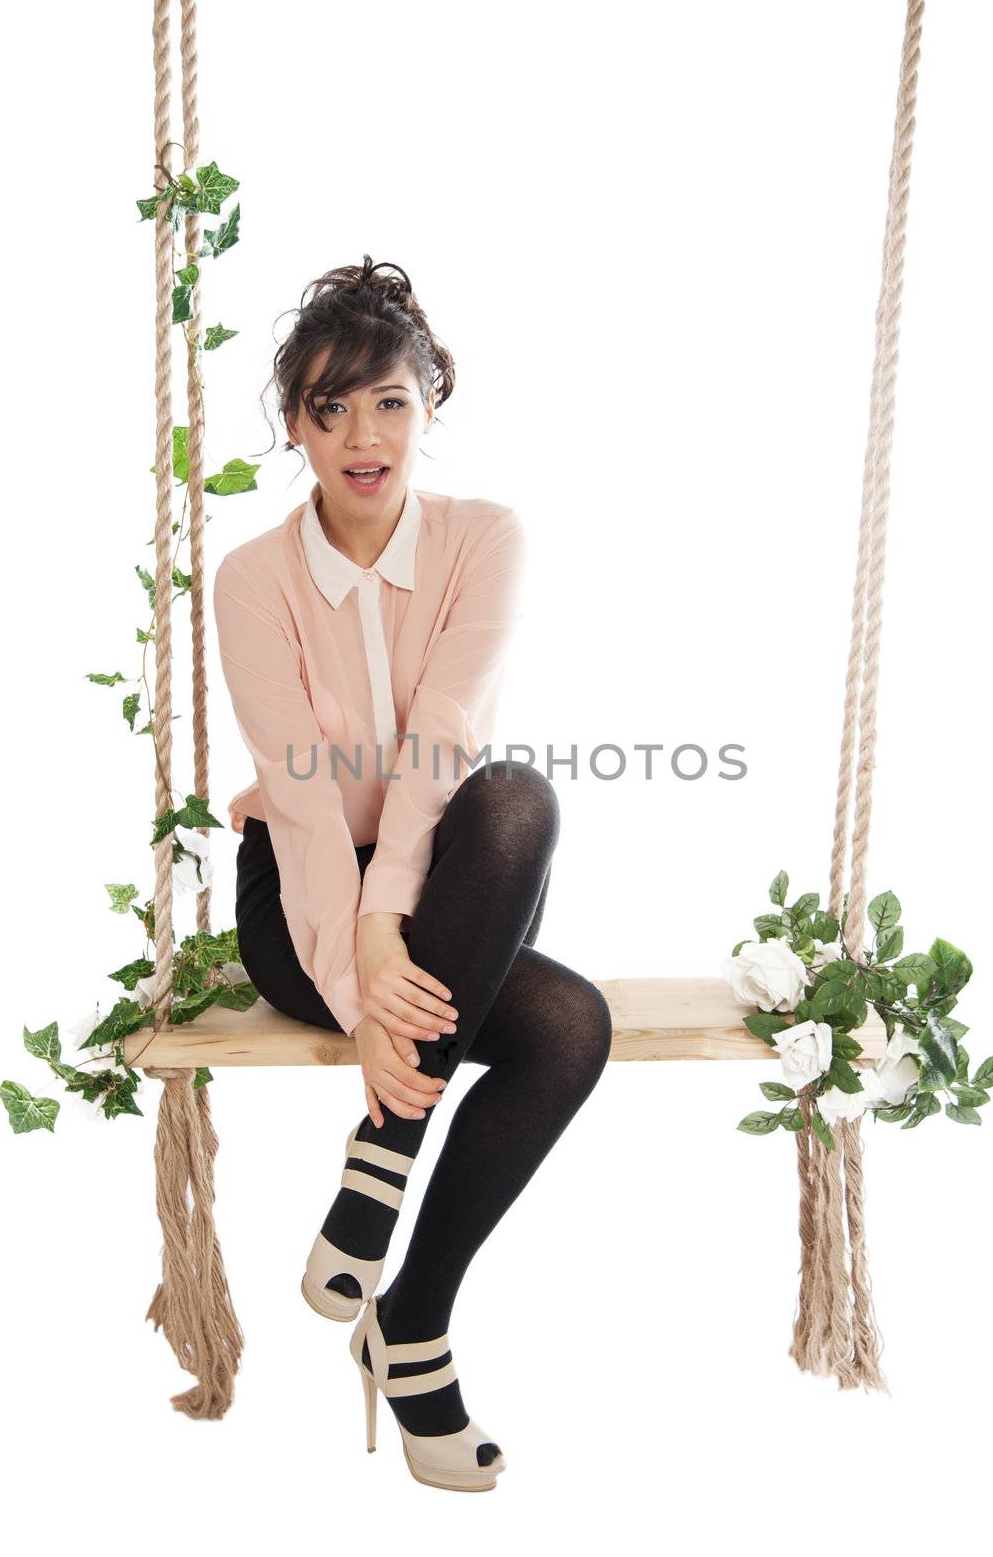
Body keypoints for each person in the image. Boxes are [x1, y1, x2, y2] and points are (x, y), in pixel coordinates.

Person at [212, 257, 613, 1492]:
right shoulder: (252, 578)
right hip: (302, 914)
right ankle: (399, 1226)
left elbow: (441, 746)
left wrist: (399, 932)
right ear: (293, 426)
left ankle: (408, 1299)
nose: (360, 436)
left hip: (446, 900)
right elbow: (300, 803)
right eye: (327, 410)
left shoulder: (485, 540)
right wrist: (360, 958)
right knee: (565, 1021)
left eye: (386, 401)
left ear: (429, 402)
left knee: (514, 807)